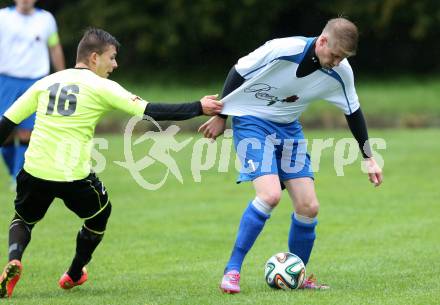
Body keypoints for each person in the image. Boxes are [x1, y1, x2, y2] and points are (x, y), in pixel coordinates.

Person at [0, 28, 222, 298]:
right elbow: (151, 111)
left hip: (35, 168)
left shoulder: (46, 82)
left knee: (23, 219)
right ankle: (73, 273)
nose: (115, 65)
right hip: (73, 175)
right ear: (94, 58)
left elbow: (6, 123)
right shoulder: (101, 86)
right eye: (112, 57)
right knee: (99, 214)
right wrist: (198, 107)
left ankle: (14, 258)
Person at [198, 17, 383, 293]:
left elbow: (353, 112)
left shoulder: (341, 72)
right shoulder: (283, 49)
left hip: (289, 130)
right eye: (334, 55)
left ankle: (298, 275)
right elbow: (238, 71)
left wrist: (368, 156)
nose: (337, 62)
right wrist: (222, 115)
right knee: (270, 195)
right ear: (322, 41)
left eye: (342, 57)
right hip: (252, 122)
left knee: (309, 207)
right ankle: (232, 269)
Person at [0, 0, 65, 187]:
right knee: (5, 131)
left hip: (35, 81)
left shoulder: (46, 19)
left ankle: (19, 175)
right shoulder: (3, 17)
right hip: (6, 80)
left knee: (27, 132)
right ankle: (13, 168)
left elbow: (55, 47)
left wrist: (61, 76)